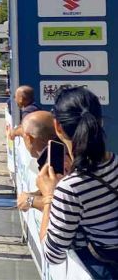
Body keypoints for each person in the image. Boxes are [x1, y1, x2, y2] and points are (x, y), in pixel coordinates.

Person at [36, 86, 118, 279]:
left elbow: (52, 254)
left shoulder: (70, 188)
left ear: (57, 127)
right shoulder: (115, 162)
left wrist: (49, 196)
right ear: (99, 123)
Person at [17, 111, 58, 212]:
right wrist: (37, 193)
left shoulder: (55, 161)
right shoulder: (56, 152)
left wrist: (30, 200)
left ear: (29, 138)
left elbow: (60, 204)